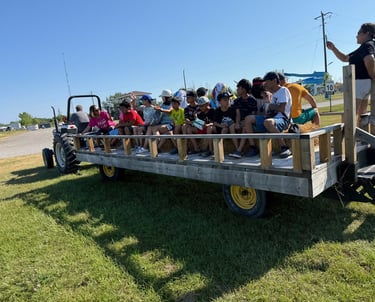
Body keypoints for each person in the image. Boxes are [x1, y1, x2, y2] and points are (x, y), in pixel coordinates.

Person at [229, 72, 292, 159]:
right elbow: (272, 110)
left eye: (266, 82)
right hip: (272, 118)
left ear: (274, 81)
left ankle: (284, 147)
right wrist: (268, 109)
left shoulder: (283, 90)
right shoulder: (273, 94)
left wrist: (269, 105)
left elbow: (282, 109)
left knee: (267, 122)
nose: (265, 84)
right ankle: (253, 147)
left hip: (282, 118)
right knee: (248, 119)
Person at [326, 23, 375, 123]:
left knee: (349, 113)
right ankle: (361, 137)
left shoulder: (367, 45)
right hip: (364, 83)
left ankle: (347, 137)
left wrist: (373, 76)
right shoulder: (364, 47)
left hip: (360, 82)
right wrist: (333, 48)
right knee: (362, 114)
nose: (356, 35)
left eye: (359, 33)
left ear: (367, 33)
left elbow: (370, 60)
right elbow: (345, 58)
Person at [182, 89, 201, 153]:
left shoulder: (200, 107)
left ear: (194, 98)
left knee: (188, 129)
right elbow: (186, 119)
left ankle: (195, 147)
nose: (187, 99)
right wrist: (191, 122)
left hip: (200, 124)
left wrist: (194, 122)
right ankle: (186, 147)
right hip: (192, 124)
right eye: (186, 97)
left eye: (189, 97)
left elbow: (201, 121)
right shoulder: (186, 108)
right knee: (184, 126)